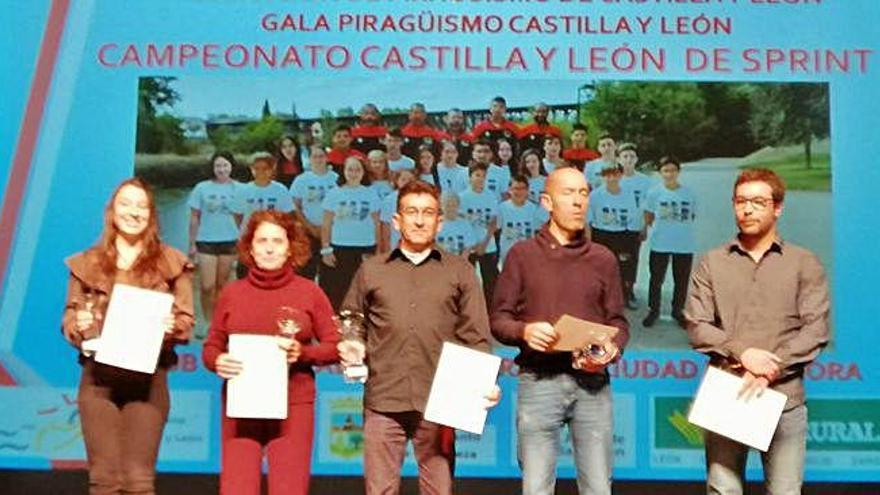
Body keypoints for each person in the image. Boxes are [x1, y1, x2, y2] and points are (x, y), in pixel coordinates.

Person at [338, 180, 500, 495]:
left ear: (440, 221)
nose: (419, 220)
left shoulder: (460, 271)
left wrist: (483, 382)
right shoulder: (372, 270)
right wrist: (352, 341)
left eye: (428, 213)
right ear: (396, 221)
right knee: (379, 491)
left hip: (442, 400)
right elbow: (351, 318)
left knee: (438, 490)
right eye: (411, 212)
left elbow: (476, 335)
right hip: (383, 399)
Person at [685, 168, 830, 495]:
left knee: (785, 492)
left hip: (785, 397)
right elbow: (697, 324)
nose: (747, 209)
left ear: (777, 208)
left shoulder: (803, 262)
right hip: (728, 391)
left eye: (758, 202)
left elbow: (816, 329)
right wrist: (744, 354)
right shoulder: (712, 261)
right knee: (723, 490)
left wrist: (770, 369)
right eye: (740, 201)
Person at [491, 168, 629, 495]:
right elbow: (498, 319)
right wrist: (524, 331)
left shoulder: (603, 258)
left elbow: (619, 322)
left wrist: (614, 348)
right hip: (538, 382)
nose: (579, 201)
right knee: (536, 487)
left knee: (598, 487)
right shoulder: (521, 255)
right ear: (546, 202)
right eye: (569, 193)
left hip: (593, 384)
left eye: (584, 193)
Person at [62, 178, 194, 494]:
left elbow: (187, 319)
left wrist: (171, 326)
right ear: (112, 211)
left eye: (141, 205)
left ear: (151, 214)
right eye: (125, 204)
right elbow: (68, 318)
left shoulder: (171, 262)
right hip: (98, 383)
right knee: (104, 480)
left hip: (149, 382)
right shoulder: (87, 262)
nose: (133, 212)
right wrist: (78, 325)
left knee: (138, 481)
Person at [202, 210, 340, 495]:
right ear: (250, 247)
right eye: (261, 240)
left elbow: (335, 346)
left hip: (294, 404)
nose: (268, 247)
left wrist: (303, 353)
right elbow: (211, 346)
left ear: (290, 246)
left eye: (277, 241)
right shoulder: (232, 293)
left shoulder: (309, 293)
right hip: (241, 406)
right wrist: (218, 360)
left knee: (289, 489)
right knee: (237, 489)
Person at [642, 156, 697, 328]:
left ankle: (677, 310)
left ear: (678, 172)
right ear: (660, 173)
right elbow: (648, 216)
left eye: (673, 170)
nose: (670, 174)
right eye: (666, 170)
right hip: (660, 243)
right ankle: (654, 310)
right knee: (656, 279)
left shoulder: (689, 193)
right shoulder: (654, 193)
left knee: (681, 280)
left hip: (684, 243)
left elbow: (692, 215)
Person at [320, 155, 381, 309]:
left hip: (365, 247)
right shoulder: (334, 194)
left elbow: (376, 224)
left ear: (363, 173)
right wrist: (326, 249)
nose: (354, 173)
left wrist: (378, 250)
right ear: (344, 171)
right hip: (340, 247)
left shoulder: (371, 193)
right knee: (340, 287)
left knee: (364, 286)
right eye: (350, 169)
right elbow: (326, 224)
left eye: (357, 169)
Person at [188, 152, 240, 330]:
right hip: (206, 241)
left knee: (222, 285)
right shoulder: (202, 188)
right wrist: (192, 243)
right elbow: (194, 217)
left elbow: (247, 217)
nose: (222, 169)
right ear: (213, 168)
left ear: (231, 166)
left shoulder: (239, 189)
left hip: (230, 241)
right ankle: (206, 321)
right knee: (207, 285)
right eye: (218, 166)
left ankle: (218, 324)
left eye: (225, 165)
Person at [232, 153, 295, 278]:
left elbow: (288, 215)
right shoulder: (243, 190)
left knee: (273, 275)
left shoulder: (280, 190)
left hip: (273, 240)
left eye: (265, 168)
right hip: (248, 241)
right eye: (257, 168)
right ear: (252, 170)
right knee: (246, 276)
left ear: (272, 170)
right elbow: (238, 216)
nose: (261, 172)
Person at [587, 163, 640, 309]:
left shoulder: (628, 193)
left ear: (621, 175)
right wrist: (589, 241)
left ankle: (626, 295)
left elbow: (633, 217)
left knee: (624, 267)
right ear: (603, 177)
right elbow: (588, 221)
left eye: (615, 174)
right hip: (602, 234)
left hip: (622, 234)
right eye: (608, 175)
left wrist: (632, 239)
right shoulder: (595, 195)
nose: (612, 178)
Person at [290, 144, 339, 280]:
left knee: (329, 271)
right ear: (309, 159)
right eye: (314, 156)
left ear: (327, 158)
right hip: (308, 231)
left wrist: (326, 228)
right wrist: (309, 226)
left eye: (321, 156)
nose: (318, 159)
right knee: (306, 271)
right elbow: (295, 206)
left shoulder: (336, 178)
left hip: (332, 232)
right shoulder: (301, 180)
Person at [617, 143, 654, 306]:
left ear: (637, 159)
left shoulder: (645, 181)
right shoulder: (614, 178)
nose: (628, 159)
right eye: (625, 156)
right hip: (616, 227)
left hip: (635, 226)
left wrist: (645, 226)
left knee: (632, 259)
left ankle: (629, 289)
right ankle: (617, 291)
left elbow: (648, 206)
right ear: (619, 159)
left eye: (632, 156)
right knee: (617, 259)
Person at [459, 162, 500, 308]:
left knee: (490, 283)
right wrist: (472, 244)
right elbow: (461, 223)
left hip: (487, 246)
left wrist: (484, 243)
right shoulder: (462, 197)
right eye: (477, 175)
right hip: (468, 248)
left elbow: (494, 222)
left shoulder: (491, 196)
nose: (480, 178)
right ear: (470, 177)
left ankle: (491, 314)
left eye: (483, 176)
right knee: (468, 283)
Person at [497, 175, 547, 268]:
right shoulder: (501, 208)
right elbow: (496, 229)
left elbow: (540, 232)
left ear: (527, 190)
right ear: (509, 190)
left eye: (522, 188)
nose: (518, 192)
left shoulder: (534, 209)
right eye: (515, 188)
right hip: (508, 256)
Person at [380, 168, 417, 253]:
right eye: (403, 179)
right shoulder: (389, 200)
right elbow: (386, 226)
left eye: (410, 180)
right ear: (397, 181)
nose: (407, 182)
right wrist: (387, 250)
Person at [435, 191, 478, 258]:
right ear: (441, 206)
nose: (450, 208)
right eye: (447, 205)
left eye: (453, 205)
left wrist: (460, 264)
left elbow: (468, 248)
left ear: (458, 205)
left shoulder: (465, 225)